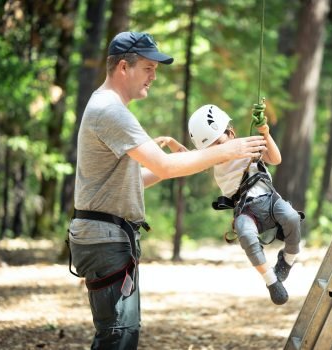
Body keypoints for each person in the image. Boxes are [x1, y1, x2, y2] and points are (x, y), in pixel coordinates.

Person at [66, 31, 267, 350]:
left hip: (104, 235)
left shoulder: (104, 105)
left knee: (118, 333)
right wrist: (229, 151)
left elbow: (137, 178)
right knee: (119, 334)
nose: (153, 76)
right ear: (123, 67)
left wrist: (177, 162)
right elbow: (166, 167)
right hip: (106, 239)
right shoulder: (111, 110)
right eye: (148, 68)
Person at [188, 103, 303, 305]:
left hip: (269, 199)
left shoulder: (247, 145)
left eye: (220, 142)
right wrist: (171, 143)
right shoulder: (211, 161)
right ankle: (271, 280)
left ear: (231, 134)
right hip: (246, 210)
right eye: (211, 147)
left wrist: (265, 132)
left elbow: (275, 159)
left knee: (292, 217)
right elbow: (186, 158)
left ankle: (288, 259)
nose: (218, 150)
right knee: (245, 234)